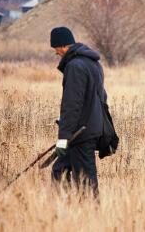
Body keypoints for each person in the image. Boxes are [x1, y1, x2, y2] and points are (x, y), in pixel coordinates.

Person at [50, 26, 106, 197]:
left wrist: (63, 138)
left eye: (55, 49)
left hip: (81, 132)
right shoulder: (93, 63)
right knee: (59, 170)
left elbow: (71, 105)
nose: (56, 54)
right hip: (88, 128)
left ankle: (90, 213)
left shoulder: (74, 66)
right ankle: (63, 209)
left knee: (85, 179)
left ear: (61, 46)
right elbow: (103, 96)